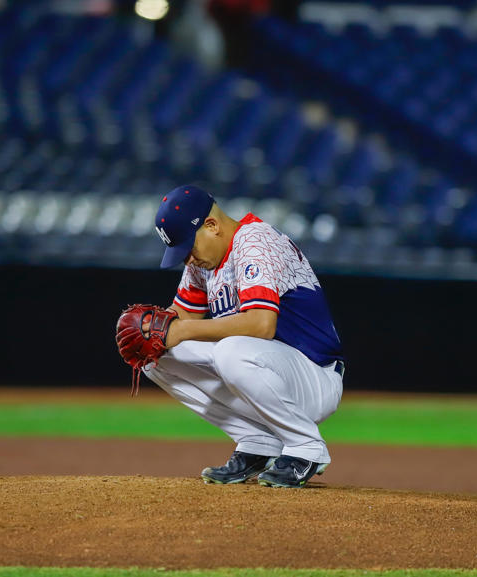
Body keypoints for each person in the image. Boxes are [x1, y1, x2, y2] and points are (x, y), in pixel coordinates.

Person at [143, 184, 344, 488]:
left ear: (211, 226)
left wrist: (182, 329)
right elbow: (180, 318)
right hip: (266, 366)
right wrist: (149, 326)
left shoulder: (254, 242)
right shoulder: (203, 260)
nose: (188, 261)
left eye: (188, 249)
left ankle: (305, 447)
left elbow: (262, 324)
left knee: (230, 351)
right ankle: (256, 442)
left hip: (314, 373)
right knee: (152, 354)